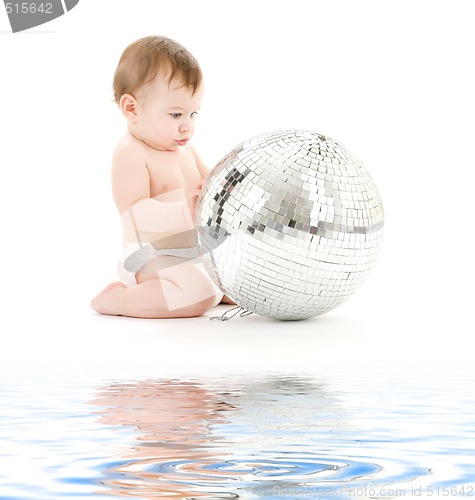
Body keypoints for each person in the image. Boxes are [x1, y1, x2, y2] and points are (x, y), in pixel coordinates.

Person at [91, 35, 231, 318]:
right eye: (176, 114)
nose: (187, 127)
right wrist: (186, 212)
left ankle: (219, 287)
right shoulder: (132, 152)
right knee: (198, 294)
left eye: (193, 114)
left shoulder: (185, 148)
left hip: (197, 253)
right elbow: (134, 212)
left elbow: (211, 184)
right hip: (150, 258)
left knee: (243, 280)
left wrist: (228, 183)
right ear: (132, 108)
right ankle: (119, 299)